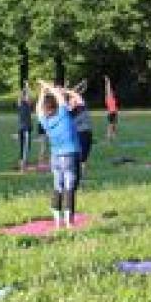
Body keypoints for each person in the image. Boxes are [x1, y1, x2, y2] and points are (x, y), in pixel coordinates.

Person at [37, 81, 82, 228]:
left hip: (55, 157)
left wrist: (43, 92)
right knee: (69, 187)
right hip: (69, 155)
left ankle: (57, 221)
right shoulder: (63, 115)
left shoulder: (45, 121)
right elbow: (62, 99)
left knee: (58, 186)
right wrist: (51, 87)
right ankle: (69, 222)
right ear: (57, 106)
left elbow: (38, 108)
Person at [70, 88, 94, 176]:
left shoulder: (82, 109)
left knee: (84, 156)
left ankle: (82, 175)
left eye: (74, 101)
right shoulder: (70, 112)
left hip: (86, 134)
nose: (73, 102)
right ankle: (79, 174)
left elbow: (79, 99)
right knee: (79, 156)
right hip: (79, 134)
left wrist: (70, 92)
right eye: (72, 101)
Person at [104, 76, 119, 142]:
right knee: (110, 125)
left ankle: (113, 136)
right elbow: (108, 88)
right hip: (111, 113)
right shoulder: (108, 97)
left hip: (114, 112)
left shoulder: (113, 98)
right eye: (111, 92)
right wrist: (108, 81)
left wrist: (117, 111)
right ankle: (108, 136)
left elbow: (115, 106)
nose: (112, 92)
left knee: (114, 125)